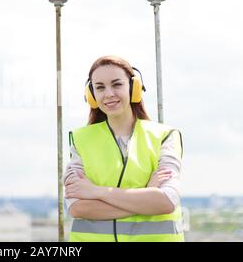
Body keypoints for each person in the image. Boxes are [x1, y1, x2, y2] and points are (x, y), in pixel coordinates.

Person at [64, 55, 184, 242]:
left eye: (117, 84)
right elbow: (77, 207)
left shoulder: (164, 137)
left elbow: (166, 201)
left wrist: (96, 191)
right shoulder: (80, 140)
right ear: (92, 95)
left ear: (133, 88)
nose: (109, 93)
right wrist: (146, 194)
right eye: (100, 87)